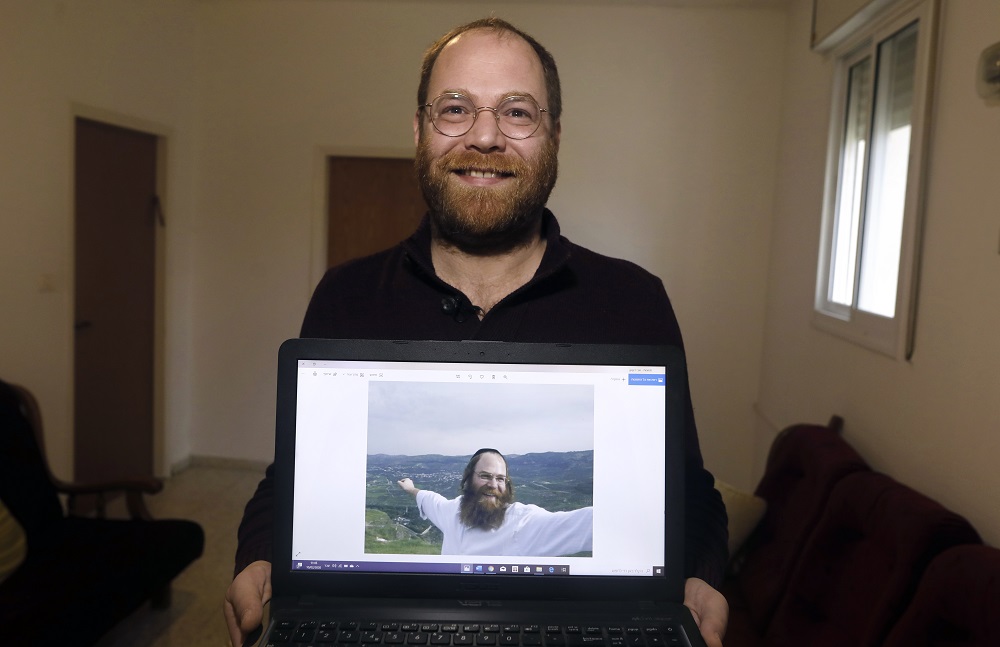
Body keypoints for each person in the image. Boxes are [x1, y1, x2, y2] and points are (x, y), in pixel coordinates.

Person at [225, 17, 729, 647]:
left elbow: (685, 491)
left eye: (517, 112)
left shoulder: (633, 300)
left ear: (554, 137)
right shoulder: (345, 296)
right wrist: (257, 558)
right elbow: (292, 478)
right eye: (455, 109)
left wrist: (706, 576)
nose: (484, 137)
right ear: (419, 131)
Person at [396, 448, 593, 556]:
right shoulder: (452, 510)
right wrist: (411, 488)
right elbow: (430, 499)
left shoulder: (522, 522)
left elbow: (584, 524)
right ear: (468, 478)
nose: (493, 484)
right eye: (485, 476)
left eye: (500, 479)